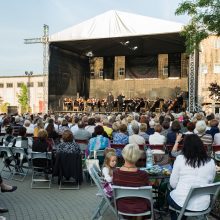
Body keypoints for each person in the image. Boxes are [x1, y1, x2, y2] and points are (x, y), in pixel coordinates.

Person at [168, 134, 216, 220]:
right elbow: (210, 182)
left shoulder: (180, 159)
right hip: (203, 204)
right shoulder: (211, 162)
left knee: (169, 196)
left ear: (185, 147)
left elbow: (173, 184)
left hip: (182, 202)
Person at [113, 144, 150, 217]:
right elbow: (147, 191)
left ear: (123, 155)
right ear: (137, 156)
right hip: (140, 207)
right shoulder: (142, 174)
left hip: (122, 206)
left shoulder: (116, 172)